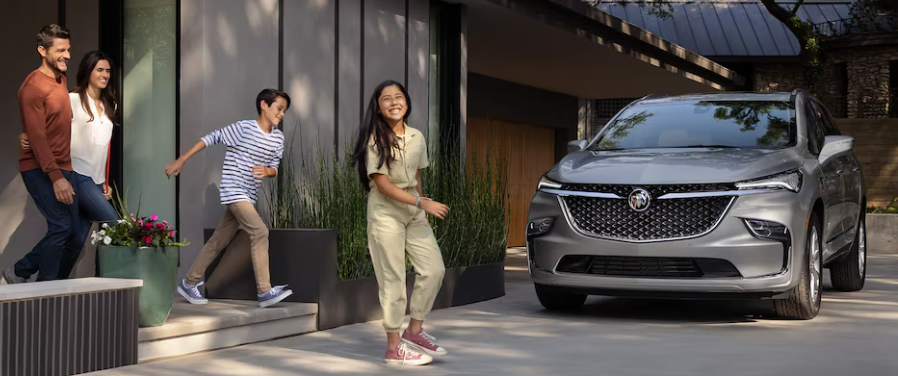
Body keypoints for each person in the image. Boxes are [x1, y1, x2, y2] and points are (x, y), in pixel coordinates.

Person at [351, 80, 450, 366]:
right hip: (385, 213)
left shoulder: (417, 136)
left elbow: (417, 177)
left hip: (413, 211)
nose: (394, 102)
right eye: (386, 99)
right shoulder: (375, 139)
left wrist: (420, 198)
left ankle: (415, 331)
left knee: (434, 270)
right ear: (379, 108)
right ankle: (394, 347)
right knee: (392, 279)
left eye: (399, 97)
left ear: (406, 102)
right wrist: (421, 202)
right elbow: (382, 186)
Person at [165, 88, 293, 309]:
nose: (282, 114)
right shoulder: (243, 128)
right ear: (264, 105)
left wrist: (267, 171)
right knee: (260, 231)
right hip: (234, 191)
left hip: (249, 195)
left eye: (284, 111)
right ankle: (264, 291)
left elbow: (275, 168)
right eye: (279, 108)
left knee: (218, 241)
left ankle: (189, 283)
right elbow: (210, 138)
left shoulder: (278, 138)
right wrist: (182, 159)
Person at [18, 50, 122, 279]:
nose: (105, 75)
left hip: (96, 182)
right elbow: (43, 126)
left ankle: (48, 282)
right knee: (115, 223)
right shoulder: (72, 100)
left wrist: (105, 182)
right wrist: (24, 136)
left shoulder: (109, 104)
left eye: (107, 71)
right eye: (99, 70)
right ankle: (30, 274)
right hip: (77, 175)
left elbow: (104, 147)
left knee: (75, 240)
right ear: (88, 71)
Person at [2, 24, 90, 284]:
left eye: (69, 49)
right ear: (42, 50)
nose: (68, 55)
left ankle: (19, 271)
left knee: (74, 232)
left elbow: (52, 121)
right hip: (38, 167)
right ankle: (46, 287)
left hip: (64, 167)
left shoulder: (60, 79)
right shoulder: (32, 88)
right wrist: (55, 177)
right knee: (61, 226)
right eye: (61, 50)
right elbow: (38, 138)